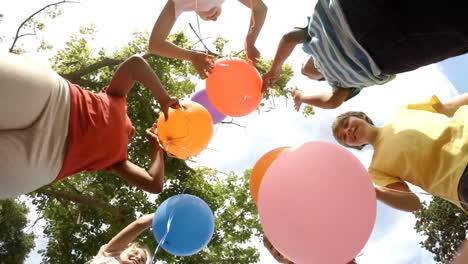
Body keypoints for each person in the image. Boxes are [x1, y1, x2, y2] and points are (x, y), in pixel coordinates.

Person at [0, 52, 180, 198]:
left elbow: (154, 184)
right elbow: (135, 65)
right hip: (53, 100)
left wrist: (156, 147)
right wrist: (163, 98)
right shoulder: (118, 97)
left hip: (45, 160)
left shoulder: (119, 160)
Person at [263, 0, 468, 110]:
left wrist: (275, 69)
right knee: (452, 29)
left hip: (352, 11)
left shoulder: (312, 38)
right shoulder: (341, 83)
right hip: (385, 52)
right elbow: (332, 102)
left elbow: (289, 37)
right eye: (310, 76)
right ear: (323, 77)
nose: (304, 70)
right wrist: (302, 96)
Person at [331, 93, 468, 212]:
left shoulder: (402, 111)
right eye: (343, 137)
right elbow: (412, 203)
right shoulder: (376, 169)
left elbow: (448, 107)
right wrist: (374, 192)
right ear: (357, 146)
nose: (347, 131)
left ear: (361, 116)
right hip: (459, 179)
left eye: (346, 123)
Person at [148, 0, 268, 79]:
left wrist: (192, 56)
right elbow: (261, 8)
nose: (214, 19)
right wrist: (250, 41)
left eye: (210, 19)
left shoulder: (178, 3)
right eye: (212, 18)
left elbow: (155, 45)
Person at [88, 214, 154, 264]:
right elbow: (139, 225)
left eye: (142, 260)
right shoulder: (110, 254)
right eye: (135, 252)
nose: (138, 257)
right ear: (124, 249)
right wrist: (162, 214)